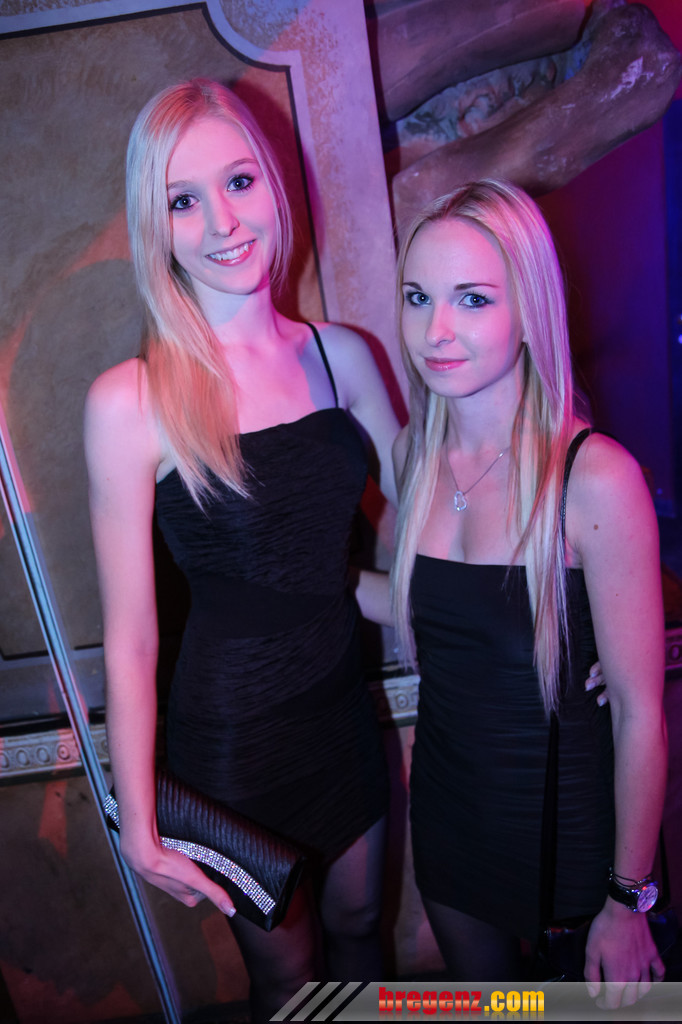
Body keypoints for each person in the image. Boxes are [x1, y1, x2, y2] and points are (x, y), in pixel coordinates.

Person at [84, 78, 400, 1022]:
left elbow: (438, 520)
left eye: (239, 181)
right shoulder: (130, 400)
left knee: (361, 927)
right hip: (234, 743)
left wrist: (565, 610)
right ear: (156, 226)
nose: (223, 221)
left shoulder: (343, 355)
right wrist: (138, 818)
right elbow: (131, 637)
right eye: (183, 200)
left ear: (274, 183)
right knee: (289, 978)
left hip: (342, 706)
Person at [390, 180, 668, 1005]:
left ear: (528, 310)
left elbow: (641, 714)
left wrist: (628, 900)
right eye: (418, 297)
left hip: (571, 839)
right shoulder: (413, 456)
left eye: (472, 299)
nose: (436, 330)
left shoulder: (595, 478)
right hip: (448, 819)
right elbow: (443, 610)